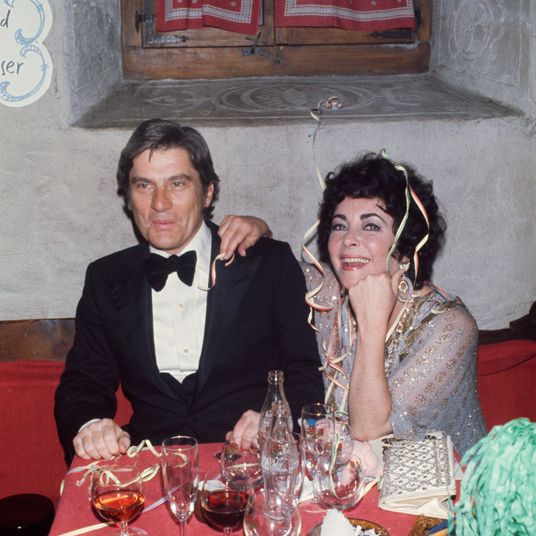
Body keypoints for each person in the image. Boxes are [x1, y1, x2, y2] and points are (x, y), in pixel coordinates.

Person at [54, 118, 324, 461]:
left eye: (177, 184)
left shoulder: (268, 264)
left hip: (250, 462)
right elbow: (84, 383)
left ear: (207, 192)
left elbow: (304, 374)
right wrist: (92, 425)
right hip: (151, 466)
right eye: (144, 185)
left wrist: (275, 420)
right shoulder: (105, 278)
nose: (160, 203)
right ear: (128, 196)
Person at [231, 152, 486, 456]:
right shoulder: (325, 289)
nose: (349, 239)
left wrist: (371, 323)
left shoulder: (450, 326)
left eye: (371, 226)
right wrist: (258, 227)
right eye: (340, 226)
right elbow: (272, 267)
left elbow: (368, 430)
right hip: (344, 474)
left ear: (406, 248)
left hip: (440, 481)